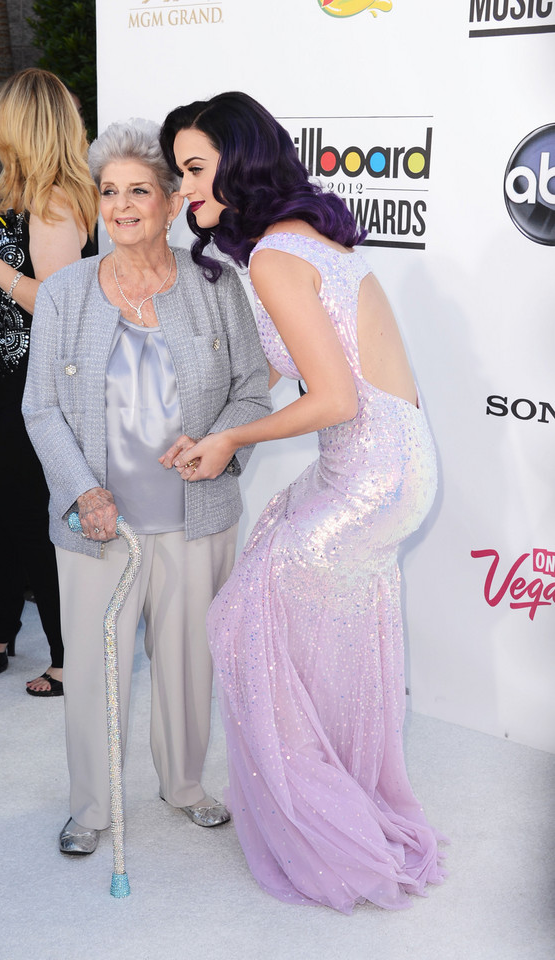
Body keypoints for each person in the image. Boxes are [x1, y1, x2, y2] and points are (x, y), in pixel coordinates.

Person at [160, 92, 446, 913]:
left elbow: (335, 399)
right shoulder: (296, 243)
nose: (184, 190)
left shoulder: (278, 257)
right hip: (373, 462)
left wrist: (227, 442)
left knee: (244, 621)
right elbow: (330, 386)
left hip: (370, 470)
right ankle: (338, 801)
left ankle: (322, 825)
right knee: (304, 629)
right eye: (178, 172)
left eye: (194, 169)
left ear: (238, 164)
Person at [21, 118, 272, 854]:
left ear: (170, 201)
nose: (123, 206)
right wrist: (80, 493)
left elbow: (252, 394)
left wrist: (219, 448)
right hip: (99, 523)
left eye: (140, 190)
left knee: (190, 663)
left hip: (196, 518)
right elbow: (39, 406)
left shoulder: (217, 285)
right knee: (95, 669)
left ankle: (185, 785)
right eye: (109, 192)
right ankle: (92, 807)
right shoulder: (65, 293)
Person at [0, 68, 99, 695]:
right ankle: (1, 627)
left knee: (32, 517)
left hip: (39, 386)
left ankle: (66, 652)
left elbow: (55, 306)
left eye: (2, 125)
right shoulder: (23, 193)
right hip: (0, 378)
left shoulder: (58, 198)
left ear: (26, 128)